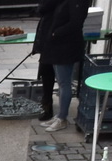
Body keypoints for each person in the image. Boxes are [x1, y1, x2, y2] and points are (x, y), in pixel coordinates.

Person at [36, 0, 91, 131]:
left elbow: (76, 23)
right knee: (62, 83)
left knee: (64, 83)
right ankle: (59, 115)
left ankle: (62, 118)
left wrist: (56, 33)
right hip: (57, 46)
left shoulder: (78, 2)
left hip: (66, 47)